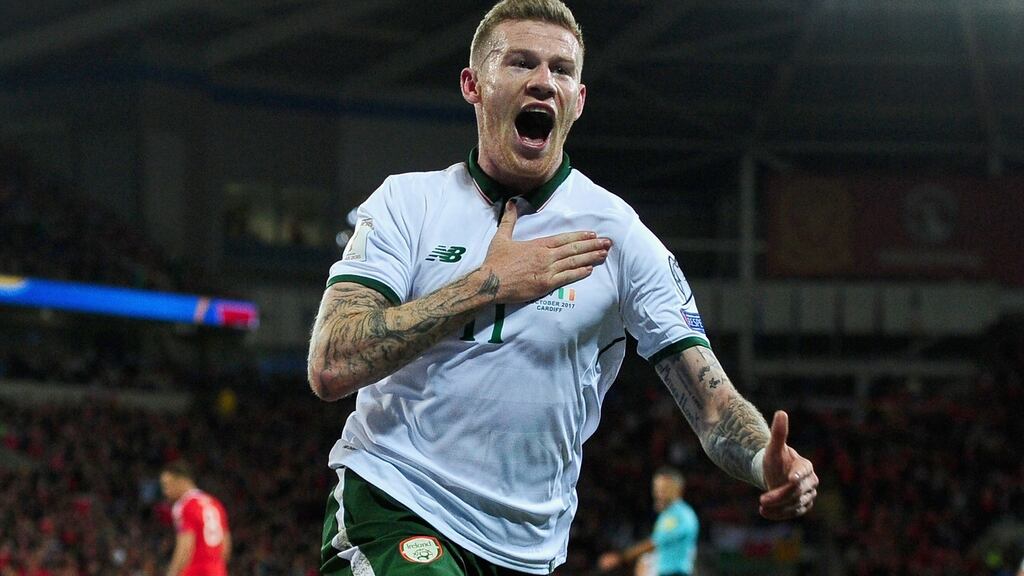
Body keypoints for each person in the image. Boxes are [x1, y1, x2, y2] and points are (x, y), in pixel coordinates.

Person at [307, 1, 818, 574]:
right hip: (397, 502)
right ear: (473, 85)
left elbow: (713, 402)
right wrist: (485, 285)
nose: (543, 82)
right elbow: (332, 363)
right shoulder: (407, 204)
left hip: (531, 548)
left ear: (578, 100)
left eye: (562, 70)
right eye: (521, 62)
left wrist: (762, 461)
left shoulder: (618, 235)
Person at [597, 468, 698, 576]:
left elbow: (654, 543)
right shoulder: (667, 514)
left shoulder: (679, 515)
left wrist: (620, 557)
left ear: (678, 489)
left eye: (664, 489)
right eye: (656, 488)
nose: (658, 493)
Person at [159, 461, 231, 576]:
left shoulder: (184, 506)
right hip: (218, 571)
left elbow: (185, 546)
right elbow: (226, 546)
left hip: (195, 571)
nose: (165, 491)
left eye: (167, 485)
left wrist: (172, 572)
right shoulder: (215, 504)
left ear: (181, 481)